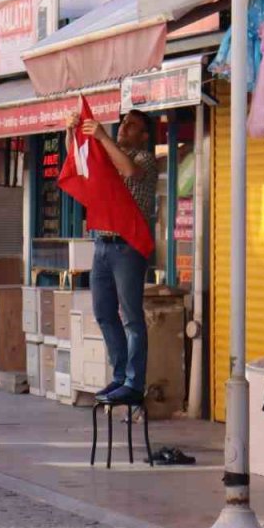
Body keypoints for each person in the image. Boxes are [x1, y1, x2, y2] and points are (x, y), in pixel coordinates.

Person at [64, 109, 158, 405]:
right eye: (124, 122)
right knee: (104, 312)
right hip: (102, 243)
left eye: (132, 125)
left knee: (131, 318)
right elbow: (80, 163)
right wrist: (71, 133)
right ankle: (119, 376)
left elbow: (129, 170)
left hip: (128, 245)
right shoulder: (108, 155)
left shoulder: (145, 159)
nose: (124, 127)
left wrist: (102, 136)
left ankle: (134, 382)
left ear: (144, 136)